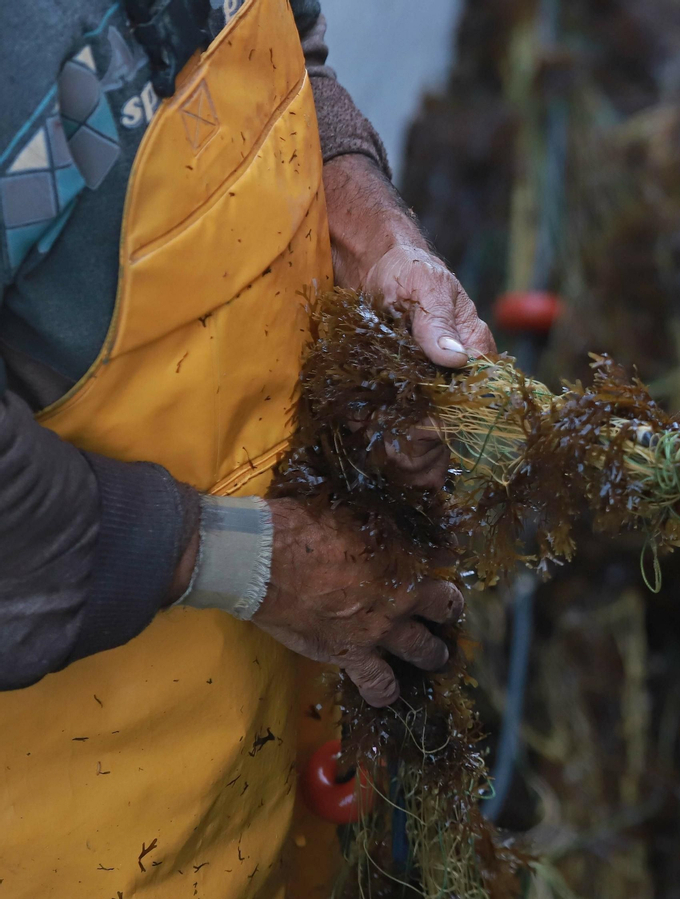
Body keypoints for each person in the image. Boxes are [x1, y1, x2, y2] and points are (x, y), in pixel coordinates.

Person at [0, 1, 495, 895]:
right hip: (83, 829)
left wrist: (372, 234)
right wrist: (261, 561)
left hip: (285, 735)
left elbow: (275, 48)